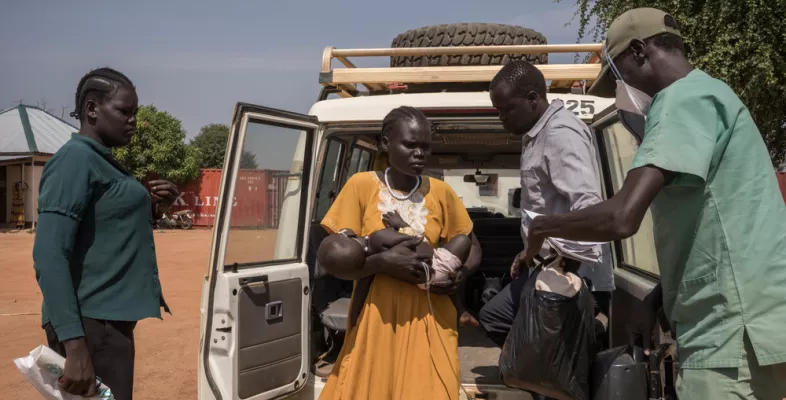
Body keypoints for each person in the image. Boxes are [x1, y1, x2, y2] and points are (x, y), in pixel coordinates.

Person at [520, 8, 786, 399]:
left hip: (727, 329)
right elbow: (717, 222)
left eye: (617, 75)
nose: (620, 88)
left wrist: (541, 227)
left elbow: (623, 216)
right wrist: (660, 294)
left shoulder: (679, 100)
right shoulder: (715, 94)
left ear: (639, 51)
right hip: (758, 317)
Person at [32, 67, 179, 400]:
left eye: (135, 114)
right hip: (89, 325)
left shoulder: (102, 161)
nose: (132, 121)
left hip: (107, 324)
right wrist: (75, 346)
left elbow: (106, 228)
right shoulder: (75, 160)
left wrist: (157, 209)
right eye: (124, 111)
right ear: (91, 109)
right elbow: (50, 254)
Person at [317, 106, 481, 400]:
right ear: (385, 143)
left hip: (432, 313)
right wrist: (382, 263)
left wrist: (460, 274)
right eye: (410, 145)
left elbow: (471, 244)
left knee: (434, 389)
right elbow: (336, 260)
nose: (420, 153)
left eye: (425, 146)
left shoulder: (441, 192)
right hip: (377, 315)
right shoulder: (361, 186)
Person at [478, 59, 614, 348]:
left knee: (550, 354)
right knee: (497, 319)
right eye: (497, 110)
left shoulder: (560, 133)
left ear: (532, 99)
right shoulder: (534, 134)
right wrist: (528, 251)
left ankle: (588, 345)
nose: (500, 117)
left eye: (506, 109)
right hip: (543, 264)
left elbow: (588, 207)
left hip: (569, 270)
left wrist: (567, 265)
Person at [319, 210, 478, 327]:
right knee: (463, 240)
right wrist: (401, 225)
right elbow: (415, 240)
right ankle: (460, 310)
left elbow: (361, 291)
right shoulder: (380, 238)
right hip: (436, 265)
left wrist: (353, 320)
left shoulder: (371, 266)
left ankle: (460, 311)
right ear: (350, 236)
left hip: (424, 282)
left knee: (444, 280)